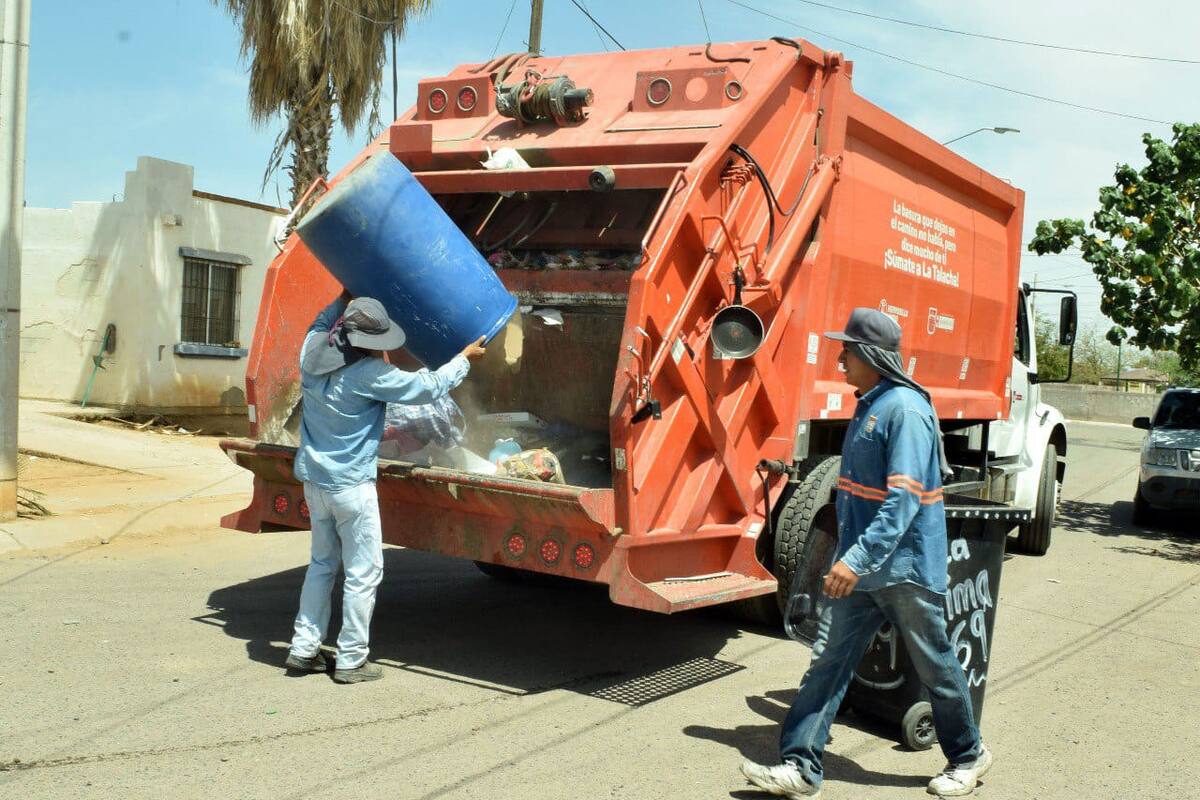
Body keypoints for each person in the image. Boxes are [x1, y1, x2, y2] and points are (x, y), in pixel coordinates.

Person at [740, 308, 992, 798]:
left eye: (847, 351)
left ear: (871, 356)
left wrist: (854, 561)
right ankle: (801, 767)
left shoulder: (905, 411)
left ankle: (968, 756)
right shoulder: (870, 404)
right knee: (827, 663)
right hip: (861, 571)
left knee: (935, 667)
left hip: (905, 570)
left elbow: (902, 503)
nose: (839, 359)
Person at [284, 290, 486, 684]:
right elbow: (427, 388)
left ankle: (302, 649)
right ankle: (351, 659)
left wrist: (341, 297)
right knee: (363, 572)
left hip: (315, 481)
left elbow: (319, 324)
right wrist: (464, 359)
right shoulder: (368, 375)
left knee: (322, 566)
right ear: (370, 344)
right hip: (351, 488)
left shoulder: (310, 353)